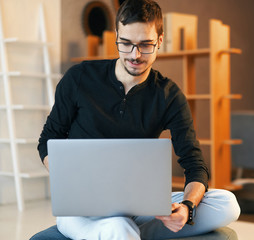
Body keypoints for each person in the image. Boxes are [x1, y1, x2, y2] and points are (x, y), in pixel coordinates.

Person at [37, 0, 240, 239]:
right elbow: (48, 140)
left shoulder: (169, 95)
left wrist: (187, 208)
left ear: (160, 41)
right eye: (126, 44)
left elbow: (195, 163)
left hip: (141, 207)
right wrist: (71, 181)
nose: (135, 55)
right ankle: (120, 231)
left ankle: (129, 233)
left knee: (226, 203)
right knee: (118, 227)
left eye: (145, 45)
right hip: (82, 210)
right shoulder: (79, 78)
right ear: (117, 36)